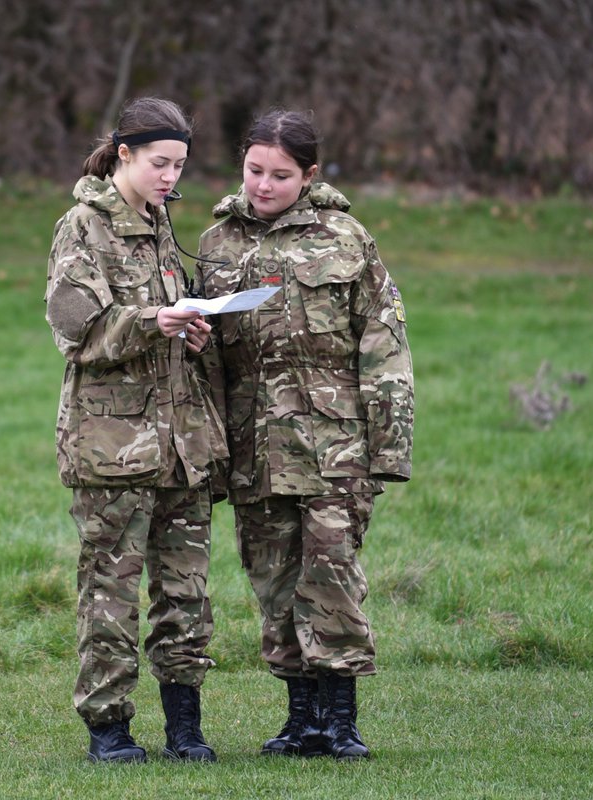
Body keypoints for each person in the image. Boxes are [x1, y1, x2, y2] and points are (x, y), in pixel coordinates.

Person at [196, 109, 414, 761]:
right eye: (254, 170)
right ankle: (300, 721)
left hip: (335, 447)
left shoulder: (347, 239)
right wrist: (206, 453)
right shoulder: (215, 245)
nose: (264, 185)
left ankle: (341, 721)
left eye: (281, 175)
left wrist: (390, 446)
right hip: (253, 446)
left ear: (310, 175)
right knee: (274, 581)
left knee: (332, 577)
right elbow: (205, 362)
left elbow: (385, 345)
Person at [44, 97, 228, 764]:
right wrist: (155, 321)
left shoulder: (163, 226)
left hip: (184, 449)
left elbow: (171, 326)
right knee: (110, 594)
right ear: (123, 153)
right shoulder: (83, 227)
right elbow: (78, 331)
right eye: (159, 163)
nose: (171, 177)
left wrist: (196, 327)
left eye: (179, 165)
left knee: (186, 594)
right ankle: (110, 730)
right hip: (113, 451)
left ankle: (185, 728)